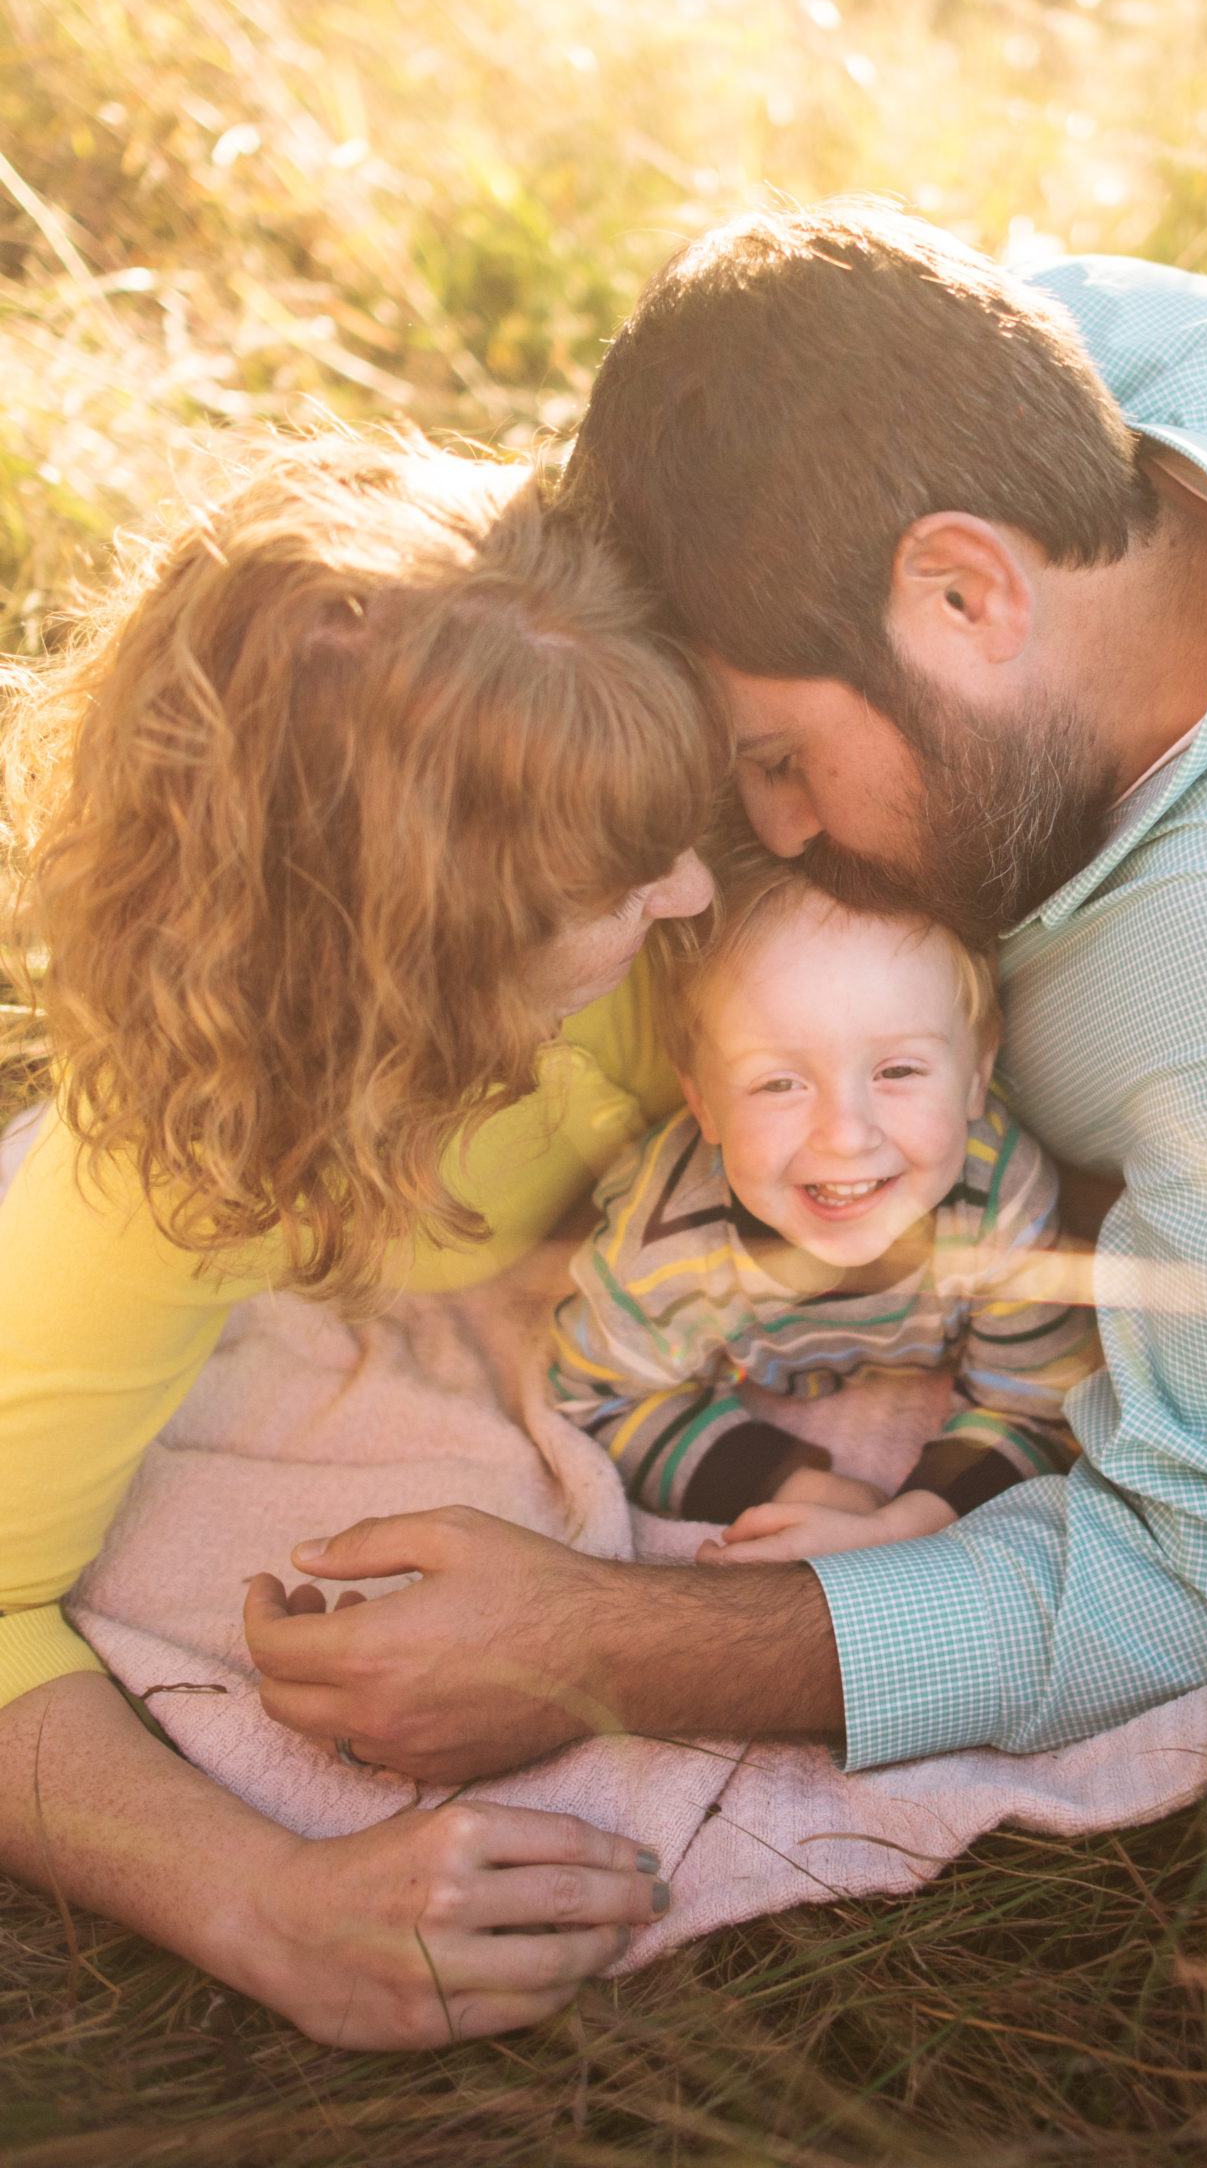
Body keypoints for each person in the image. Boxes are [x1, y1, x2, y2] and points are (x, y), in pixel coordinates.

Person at [242, 202, 1207, 1790]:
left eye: (778, 759)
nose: (754, 834)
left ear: (967, 593)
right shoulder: (1150, 344)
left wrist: (605, 1649)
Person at [0, 434, 722, 2046]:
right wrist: (259, 1900)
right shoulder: (181, 1165)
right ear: (402, 980)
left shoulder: (676, 826)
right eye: (616, 883)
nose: (695, 888)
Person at [547, 845, 1101, 1553]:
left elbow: (1038, 1401)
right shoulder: (665, 1243)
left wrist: (919, 1517)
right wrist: (784, 1482)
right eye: (778, 1083)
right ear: (702, 1103)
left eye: (898, 1071)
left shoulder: (1001, 1196)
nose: (846, 1135)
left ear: (976, 1076)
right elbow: (600, 1398)